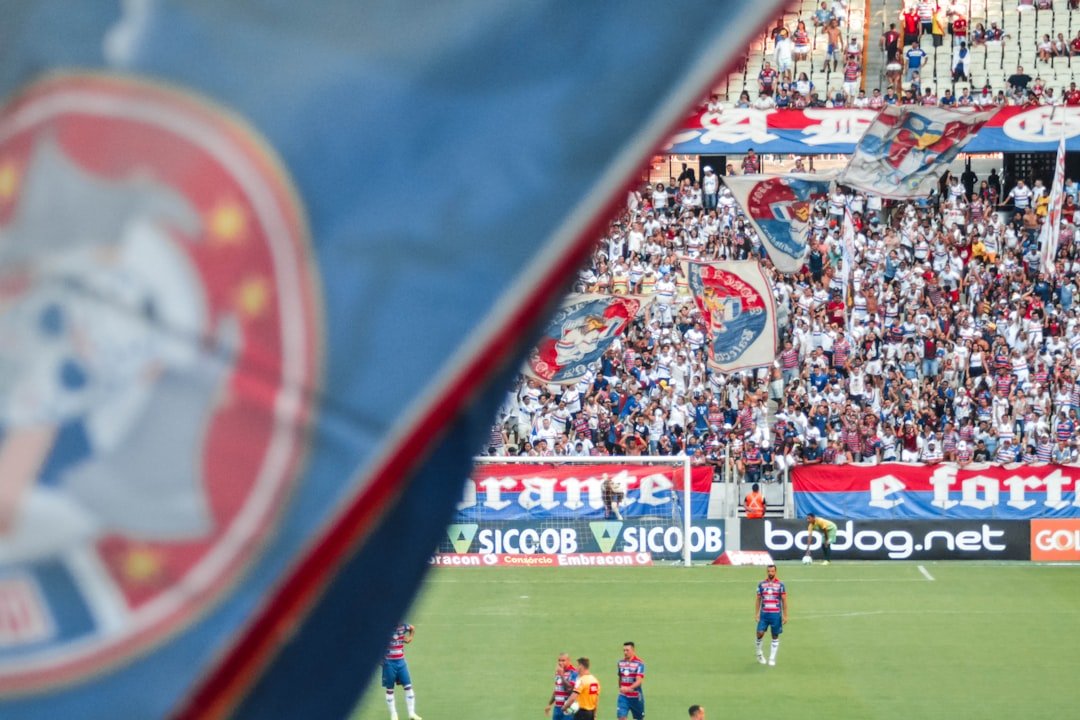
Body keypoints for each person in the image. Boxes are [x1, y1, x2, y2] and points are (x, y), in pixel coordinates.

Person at [382, 622, 421, 720]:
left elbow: (412, 628)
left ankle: (411, 713)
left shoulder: (403, 626)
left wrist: (410, 638)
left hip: (401, 662)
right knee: (390, 689)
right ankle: (394, 715)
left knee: (408, 687)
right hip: (389, 662)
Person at [754, 563, 788, 667]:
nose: (770, 573)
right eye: (769, 571)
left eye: (772, 571)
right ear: (767, 572)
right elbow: (758, 599)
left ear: (775, 572)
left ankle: (772, 658)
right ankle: (759, 654)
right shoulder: (761, 584)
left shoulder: (781, 585)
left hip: (776, 615)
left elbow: (784, 600)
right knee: (759, 633)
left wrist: (785, 615)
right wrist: (756, 613)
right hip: (764, 614)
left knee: (775, 636)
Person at [617, 641, 646, 720]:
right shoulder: (620, 663)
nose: (625, 652)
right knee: (621, 718)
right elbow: (620, 677)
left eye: (627, 650)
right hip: (623, 696)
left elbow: (639, 680)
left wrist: (629, 688)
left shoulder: (639, 663)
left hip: (636, 697)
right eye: (624, 650)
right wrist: (621, 688)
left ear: (633, 650)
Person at [546, 653, 578, 718]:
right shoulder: (558, 672)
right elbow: (557, 689)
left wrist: (562, 675)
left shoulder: (573, 672)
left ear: (569, 661)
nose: (561, 663)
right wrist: (549, 704)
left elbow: (570, 690)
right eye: (559, 660)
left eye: (563, 660)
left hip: (568, 707)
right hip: (557, 708)